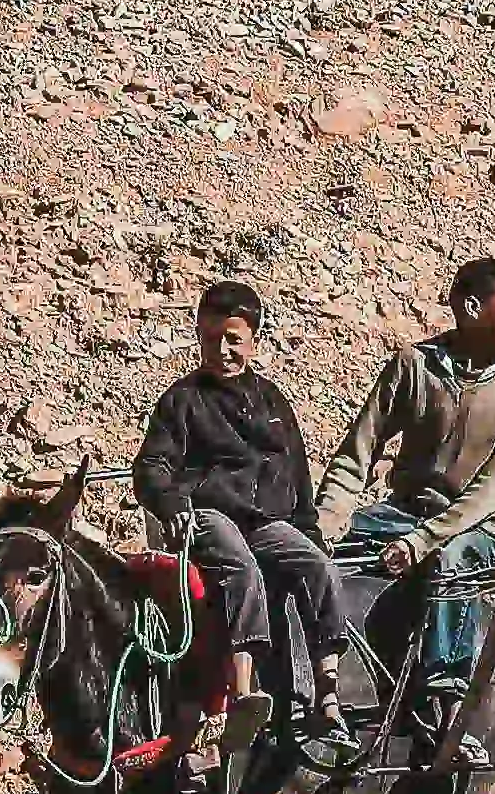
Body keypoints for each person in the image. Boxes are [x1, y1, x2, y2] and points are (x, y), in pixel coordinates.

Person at [315, 256, 495, 760]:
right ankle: (314, 686)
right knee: (311, 562)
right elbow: (358, 452)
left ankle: (443, 706)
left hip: (472, 528)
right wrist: (323, 525)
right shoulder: (413, 365)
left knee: (451, 561)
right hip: (400, 515)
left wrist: (423, 540)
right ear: (471, 307)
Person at [132, 275, 353, 747]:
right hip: (208, 514)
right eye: (211, 339)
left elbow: (297, 473)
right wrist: (170, 501)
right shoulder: (183, 401)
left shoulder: (273, 401)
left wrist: (307, 526)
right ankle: (243, 692)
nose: (222, 351)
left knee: (318, 567)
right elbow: (152, 464)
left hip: (265, 519)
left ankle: (328, 694)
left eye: (233, 340)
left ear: (254, 338)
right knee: (242, 570)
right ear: (198, 335)